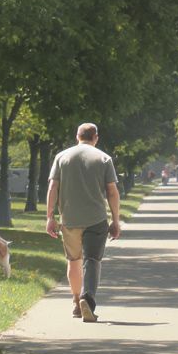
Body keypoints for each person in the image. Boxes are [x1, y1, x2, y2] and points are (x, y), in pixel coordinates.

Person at [45, 123, 122, 322]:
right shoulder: (104, 158)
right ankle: (87, 299)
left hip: (69, 219)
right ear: (95, 137)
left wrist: (49, 217)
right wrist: (115, 220)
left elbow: (53, 186)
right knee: (92, 260)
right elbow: (112, 191)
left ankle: (75, 301)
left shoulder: (62, 157)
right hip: (96, 219)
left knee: (73, 260)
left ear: (77, 136)